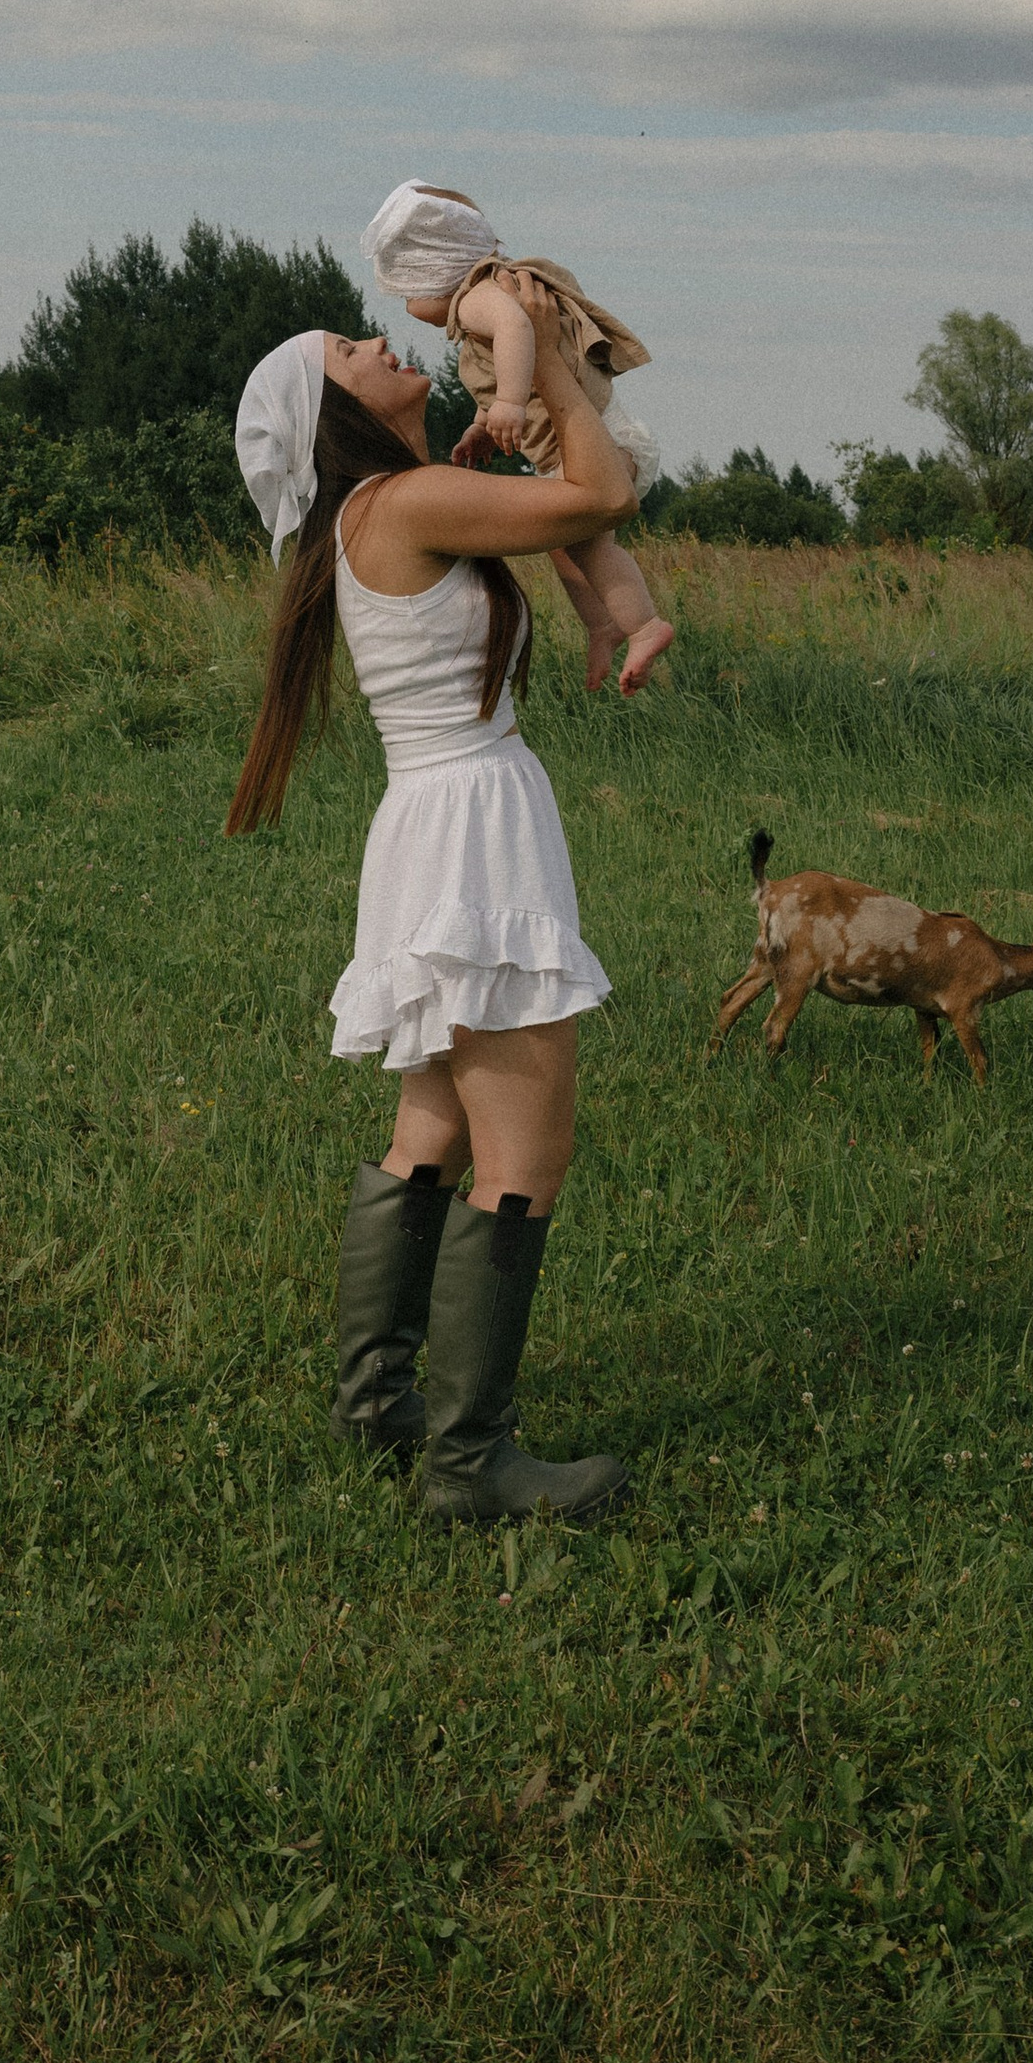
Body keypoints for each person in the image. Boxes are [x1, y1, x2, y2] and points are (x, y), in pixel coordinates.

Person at [228, 318, 634, 1524]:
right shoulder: (404, 503)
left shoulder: (380, 509)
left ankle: (378, 1403)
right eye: (349, 351)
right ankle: (469, 1464)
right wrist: (542, 357)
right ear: (337, 413)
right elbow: (600, 493)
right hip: (472, 829)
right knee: (525, 1157)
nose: (380, 337)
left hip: (432, 824)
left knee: (436, 1129)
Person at [360, 181, 675, 698]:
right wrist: (484, 423)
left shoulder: (476, 300)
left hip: (606, 445)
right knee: (562, 543)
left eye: (409, 293)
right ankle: (603, 624)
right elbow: (507, 365)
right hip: (589, 448)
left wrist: (507, 404)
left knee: (588, 546)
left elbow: (515, 329)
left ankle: (643, 625)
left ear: (438, 274)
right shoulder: (484, 296)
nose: (408, 305)